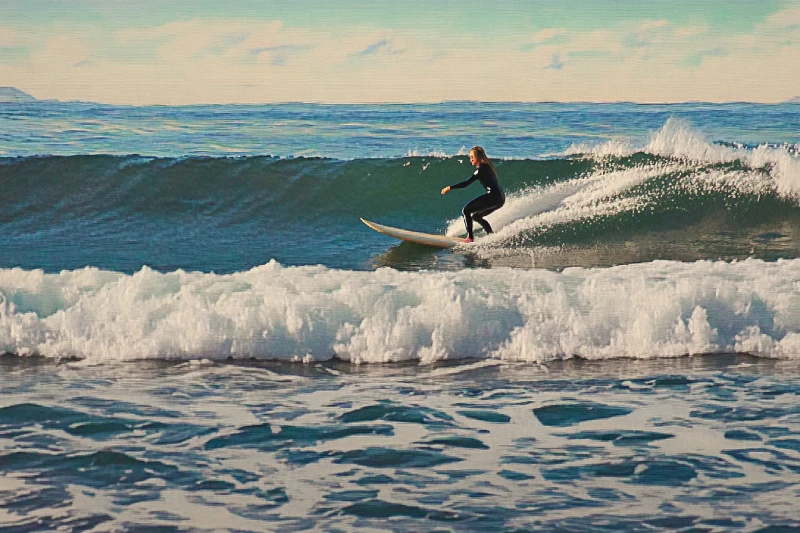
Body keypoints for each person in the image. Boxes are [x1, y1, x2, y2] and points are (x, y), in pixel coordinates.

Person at [440, 146, 505, 242]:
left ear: (478, 157)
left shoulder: (481, 170)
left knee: (466, 210)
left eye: (472, 158)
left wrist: (450, 187)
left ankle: (470, 237)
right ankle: (491, 235)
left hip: (493, 197)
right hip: (500, 198)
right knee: (476, 216)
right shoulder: (487, 166)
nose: (470, 160)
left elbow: (466, 183)